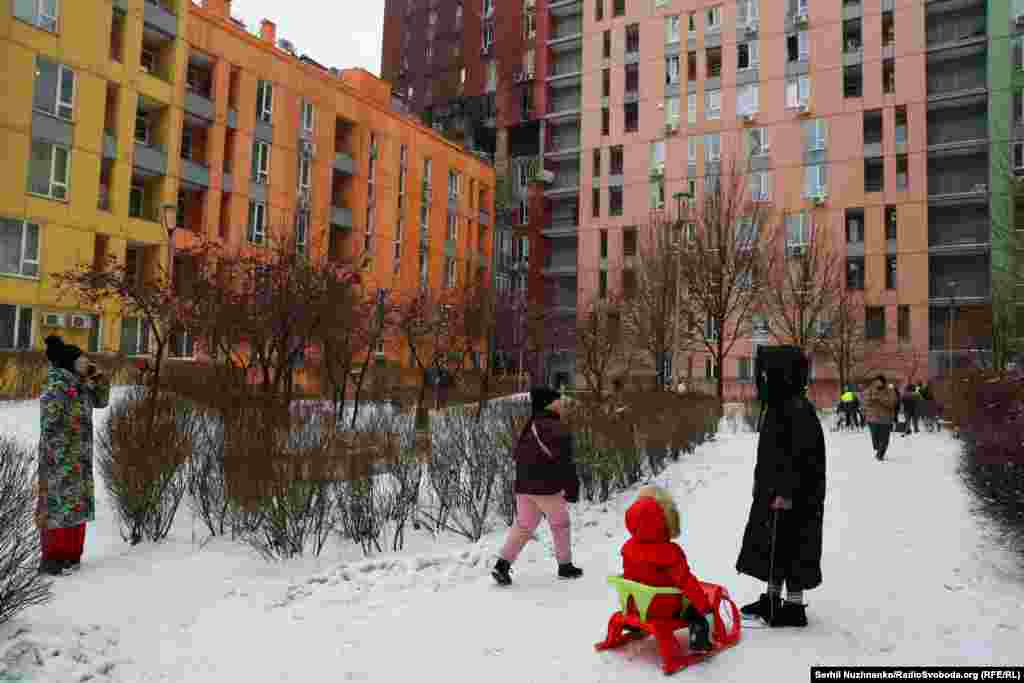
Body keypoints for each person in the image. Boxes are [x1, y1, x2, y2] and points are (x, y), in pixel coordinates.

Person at [736, 346, 826, 628]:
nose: (762, 378)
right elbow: (773, 452)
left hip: (793, 494)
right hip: (775, 488)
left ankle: (794, 606)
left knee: (792, 542)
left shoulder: (795, 408)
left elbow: (797, 456)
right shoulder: (781, 404)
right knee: (773, 540)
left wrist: (785, 493)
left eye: (767, 373)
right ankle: (773, 598)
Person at [493, 387, 582, 586]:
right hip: (546, 487)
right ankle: (565, 566)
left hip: (523, 486)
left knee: (524, 525)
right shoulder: (554, 427)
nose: (561, 404)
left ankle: (502, 565)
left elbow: (518, 455)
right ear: (549, 404)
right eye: (558, 400)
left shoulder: (531, 424)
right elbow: (565, 462)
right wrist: (572, 487)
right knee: (560, 524)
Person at [37, 336, 111, 576]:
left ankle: (71, 555)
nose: (86, 362)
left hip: (79, 458)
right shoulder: (56, 388)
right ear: (69, 363)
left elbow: (101, 400)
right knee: (57, 507)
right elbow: (49, 425)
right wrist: (61, 455)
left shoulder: (81, 386)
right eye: (81, 359)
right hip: (59, 460)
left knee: (76, 506)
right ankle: (53, 559)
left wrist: (97, 376)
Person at [621, 486, 714, 652]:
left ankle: (634, 625)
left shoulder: (628, 547)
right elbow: (685, 581)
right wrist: (705, 607)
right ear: (666, 520)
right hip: (663, 609)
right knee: (693, 607)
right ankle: (698, 637)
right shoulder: (670, 553)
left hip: (636, 606)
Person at [863, 375, 898, 461]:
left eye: (879, 382)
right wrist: (870, 399)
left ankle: (880, 455)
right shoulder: (869, 390)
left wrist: (880, 399)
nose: (877, 384)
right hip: (872, 419)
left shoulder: (890, 391)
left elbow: (892, 403)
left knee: (884, 439)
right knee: (875, 440)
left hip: (886, 419)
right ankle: (878, 448)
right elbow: (864, 402)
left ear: (883, 382)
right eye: (875, 382)